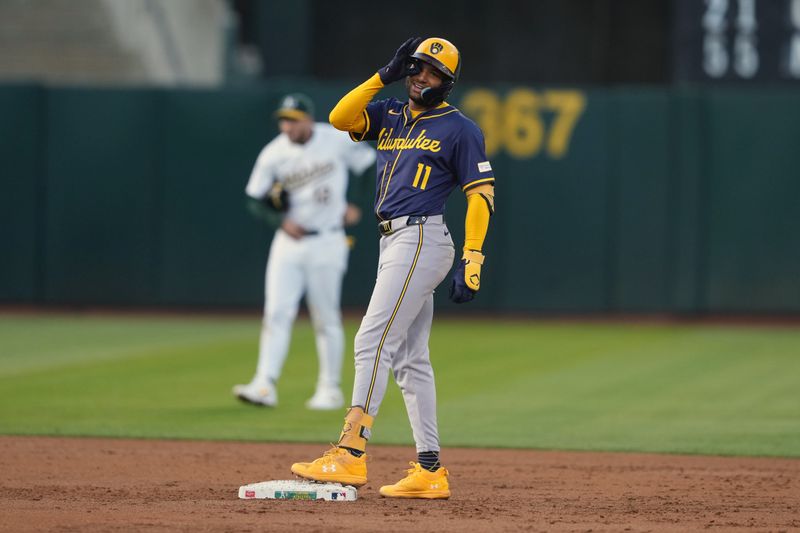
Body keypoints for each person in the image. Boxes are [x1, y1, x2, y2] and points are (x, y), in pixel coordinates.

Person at [290, 37, 495, 498]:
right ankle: (429, 470)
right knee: (409, 358)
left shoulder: (459, 128)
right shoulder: (389, 113)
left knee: (371, 340)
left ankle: (351, 452)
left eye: (435, 73)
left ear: (449, 82)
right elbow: (341, 118)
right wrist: (383, 73)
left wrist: (473, 255)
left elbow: (479, 193)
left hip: (421, 236)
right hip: (395, 240)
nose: (423, 77)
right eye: (418, 68)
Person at [233, 93, 376, 410]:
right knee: (276, 313)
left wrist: (357, 203)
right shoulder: (273, 153)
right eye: (284, 120)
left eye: (293, 119)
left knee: (325, 317)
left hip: (328, 239)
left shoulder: (335, 138)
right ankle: (264, 384)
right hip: (289, 243)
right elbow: (254, 198)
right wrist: (280, 221)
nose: (287, 126)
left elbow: (368, 166)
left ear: (308, 119)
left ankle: (330, 388)